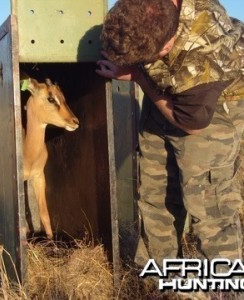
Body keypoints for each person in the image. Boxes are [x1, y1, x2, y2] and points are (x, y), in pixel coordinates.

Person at [96, 0, 244, 273]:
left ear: (168, 45)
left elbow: (192, 124)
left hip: (211, 109)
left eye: (147, 60)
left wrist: (139, 77)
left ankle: (224, 288)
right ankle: (164, 281)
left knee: (210, 208)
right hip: (167, 87)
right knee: (156, 194)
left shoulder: (202, 56)